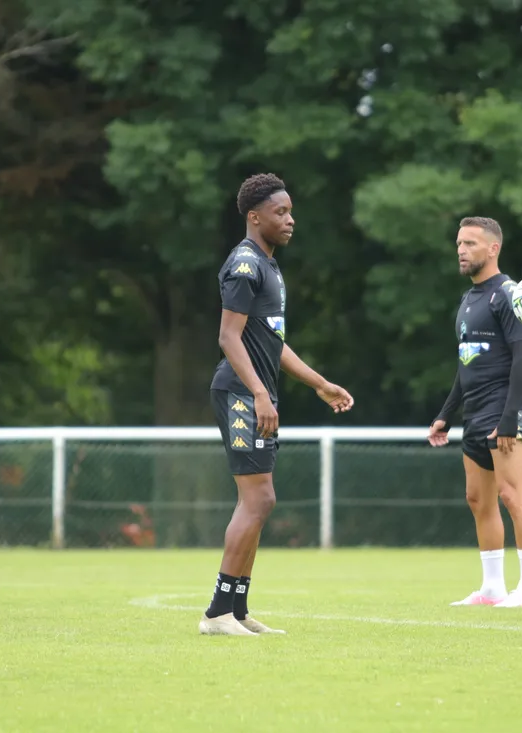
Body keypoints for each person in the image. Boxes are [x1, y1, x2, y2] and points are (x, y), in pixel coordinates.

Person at [202, 173, 354, 636]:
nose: (290, 220)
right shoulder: (246, 265)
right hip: (240, 392)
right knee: (259, 498)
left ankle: (239, 611)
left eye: (290, 211)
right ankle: (217, 614)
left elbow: (273, 344)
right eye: (280, 212)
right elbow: (229, 337)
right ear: (255, 217)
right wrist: (261, 393)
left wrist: (319, 383)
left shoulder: (269, 266)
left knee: (261, 501)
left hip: (256, 392)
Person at [428, 217, 522, 608]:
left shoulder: (509, 295)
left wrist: (509, 418)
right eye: (459, 243)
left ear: (493, 248)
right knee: (478, 499)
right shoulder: (468, 299)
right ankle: (493, 587)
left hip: (503, 411)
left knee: (514, 496)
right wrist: (446, 413)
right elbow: (466, 364)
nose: (461, 250)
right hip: (474, 414)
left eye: (471, 244)